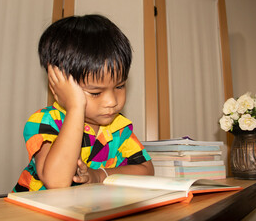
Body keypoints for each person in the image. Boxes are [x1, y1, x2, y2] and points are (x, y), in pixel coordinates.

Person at [13, 14, 154, 192]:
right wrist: (75, 107)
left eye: (120, 86)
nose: (112, 101)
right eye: (95, 93)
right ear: (61, 84)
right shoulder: (45, 121)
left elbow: (147, 170)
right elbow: (57, 182)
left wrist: (99, 175)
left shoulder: (118, 127)